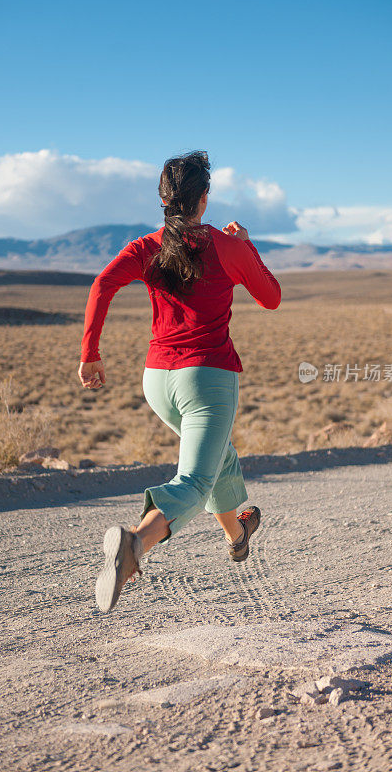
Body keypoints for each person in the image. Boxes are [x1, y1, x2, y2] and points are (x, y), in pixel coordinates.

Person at [78, 150, 281, 612]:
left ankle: (237, 533)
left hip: (158, 383)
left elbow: (100, 287)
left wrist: (90, 354)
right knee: (193, 479)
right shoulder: (227, 247)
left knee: (216, 455)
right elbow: (272, 297)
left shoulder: (145, 247)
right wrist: (247, 246)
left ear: (165, 199)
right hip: (207, 379)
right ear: (204, 199)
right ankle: (134, 544)